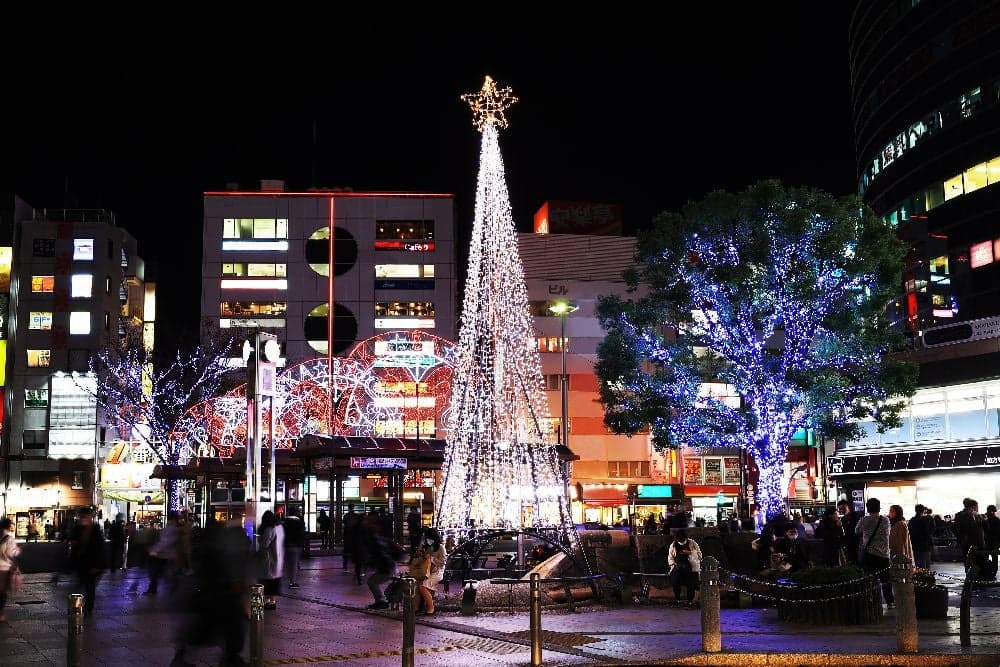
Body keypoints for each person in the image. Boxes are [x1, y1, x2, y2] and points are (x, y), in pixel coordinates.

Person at [68, 507, 108, 617]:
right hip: (81, 563)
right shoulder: (77, 529)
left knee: (89, 587)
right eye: (81, 517)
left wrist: (97, 565)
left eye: (84, 517)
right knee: (81, 586)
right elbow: (73, 543)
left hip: (92, 564)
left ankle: (87, 608)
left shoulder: (95, 529)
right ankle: (78, 607)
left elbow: (99, 548)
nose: (83, 519)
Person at [856, 497, 893, 607]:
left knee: (870, 578)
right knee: (885, 579)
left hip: (870, 554)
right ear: (878, 508)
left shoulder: (864, 520)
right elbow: (888, 533)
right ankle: (890, 601)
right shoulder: (885, 520)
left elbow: (857, 531)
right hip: (884, 554)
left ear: (868, 508)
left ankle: (872, 599)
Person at [667, 530, 702, 607]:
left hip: (691, 567)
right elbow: (670, 558)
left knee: (691, 583)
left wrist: (690, 553)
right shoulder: (673, 545)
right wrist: (674, 563)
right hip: (678, 567)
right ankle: (678, 600)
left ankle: (689, 601)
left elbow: (699, 556)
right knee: (675, 581)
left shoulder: (692, 543)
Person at [258, 510, 284, 610]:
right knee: (274, 579)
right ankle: (272, 601)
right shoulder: (279, 527)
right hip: (278, 556)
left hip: (269, 557)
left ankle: (268, 601)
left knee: (267, 579)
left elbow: (265, 544)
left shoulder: (269, 529)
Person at [0, 518, 22, 622]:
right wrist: (17, 550)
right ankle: (1, 613)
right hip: (3, 568)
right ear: (8, 526)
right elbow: (11, 553)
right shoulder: (9, 539)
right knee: (2, 591)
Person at [282, 508, 305, 589]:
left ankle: (286, 579)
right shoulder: (300, 522)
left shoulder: (284, 522)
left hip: (286, 545)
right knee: (294, 564)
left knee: (287, 564)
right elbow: (302, 534)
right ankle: (292, 582)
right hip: (296, 545)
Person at [408, 544, 434, 615]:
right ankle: (417, 608)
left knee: (420, 587)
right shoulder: (420, 555)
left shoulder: (426, 555)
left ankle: (428, 608)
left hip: (424, 575)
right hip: (420, 575)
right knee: (417, 587)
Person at [908, 504, 934, 569]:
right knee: (925, 563)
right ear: (923, 510)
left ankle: (917, 576)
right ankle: (925, 577)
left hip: (914, 545)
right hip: (924, 545)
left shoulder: (912, 520)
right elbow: (928, 532)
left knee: (916, 563)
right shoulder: (925, 520)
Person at [838, 500, 861, 564]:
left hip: (857, 543)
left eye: (843, 508)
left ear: (848, 507)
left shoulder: (856, 516)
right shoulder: (843, 519)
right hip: (848, 544)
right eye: (840, 509)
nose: (841, 510)